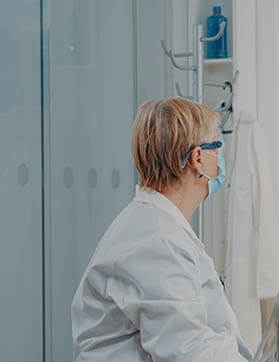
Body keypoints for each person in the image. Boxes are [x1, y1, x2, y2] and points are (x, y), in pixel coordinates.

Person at [71, 97, 251, 361]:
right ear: (198, 158)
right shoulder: (156, 240)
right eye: (218, 146)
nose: (220, 160)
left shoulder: (158, 227)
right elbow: (188, 352)